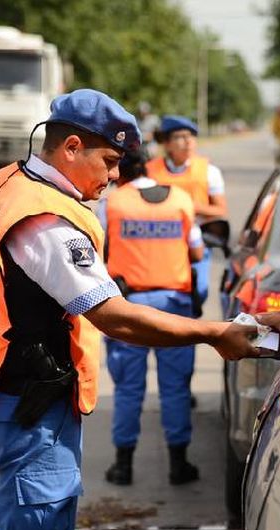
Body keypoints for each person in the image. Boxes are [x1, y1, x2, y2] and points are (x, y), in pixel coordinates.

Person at [0, 88, 260, 530]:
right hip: (28, 414)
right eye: (109, 161)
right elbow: (112, 316)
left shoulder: (5, 183)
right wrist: (215, 332)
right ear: (71, 147)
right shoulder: (46, 221)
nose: (116, 176)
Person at [96, 148, 204, 486]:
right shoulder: (181, 200)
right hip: (175, 304)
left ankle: (123, 466)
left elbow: (98, 250)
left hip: (128, 307)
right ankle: (179, 464)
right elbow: (197, 251)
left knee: (129, 387)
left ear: (120, 172)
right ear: (148, 167)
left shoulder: (112, 203)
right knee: (175, 387)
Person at [146, 115, 228, 308]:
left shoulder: (209, 171)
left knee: (198, 293)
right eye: (181, 137)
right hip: (158, 245)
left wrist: (185, 206)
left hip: (195, 247)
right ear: (167, 143)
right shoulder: (149, 171)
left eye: (191, 136)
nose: (188, 141)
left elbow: (220, 210)